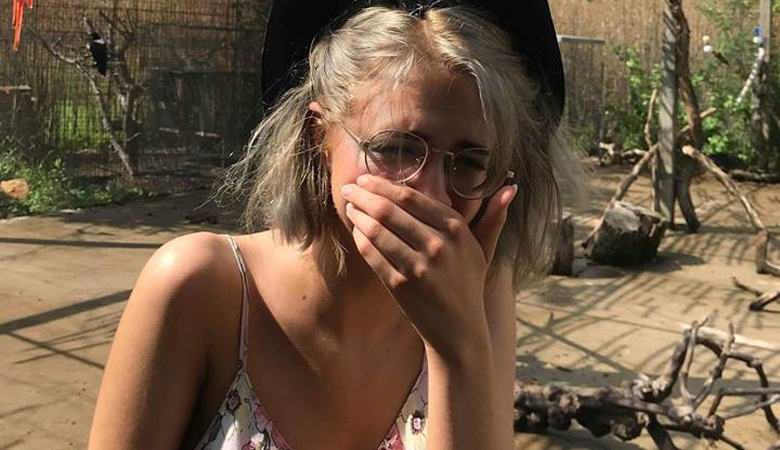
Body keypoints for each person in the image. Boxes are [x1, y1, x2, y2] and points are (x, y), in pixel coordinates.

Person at [87, 1, 579, 449]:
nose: (428, 195)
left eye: (469, 162)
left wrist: (459, 350)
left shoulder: (480, 295)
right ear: (317, 134)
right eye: (397, 147)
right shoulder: (200, 286)